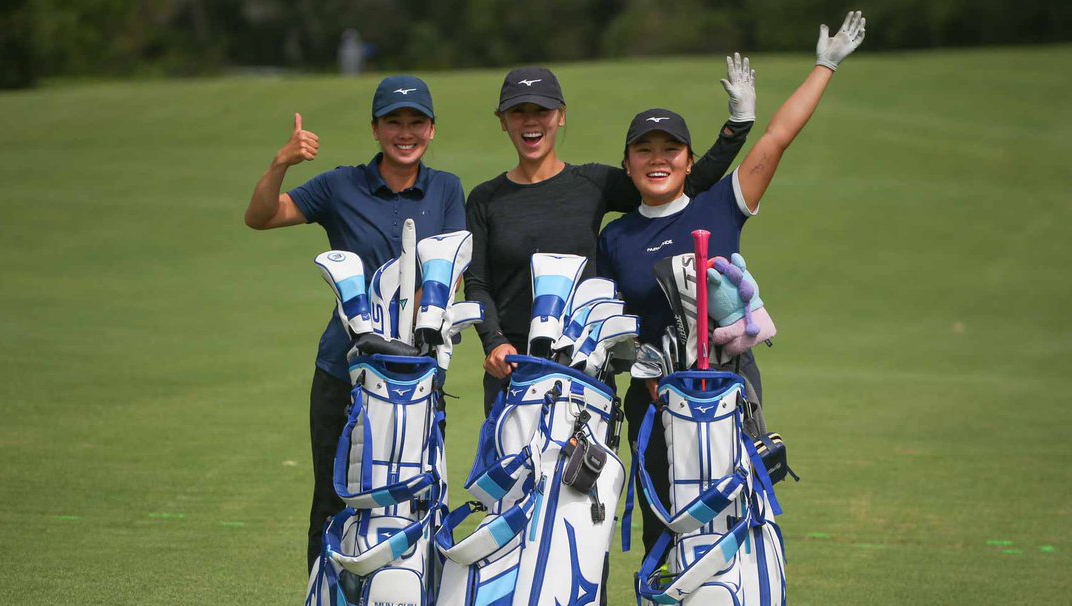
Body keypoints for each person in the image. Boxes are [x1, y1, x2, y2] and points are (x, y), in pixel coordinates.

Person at [597, 12, 866, 564]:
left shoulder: (718, 204)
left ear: (689, 160)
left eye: (669, 149)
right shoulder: (616, 236)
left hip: (726, 388)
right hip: (652, 399)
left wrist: (824, 66)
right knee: (660, 521)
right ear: (627, 164)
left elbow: (778, 138)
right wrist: (639, 363)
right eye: (644, 150)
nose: (657, 159)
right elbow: (608, 326)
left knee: (729, 515)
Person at [243, 76, 465, 573]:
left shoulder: (447, 188)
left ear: (430, 130)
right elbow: (261, 217)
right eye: (393, 122)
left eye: (415, 123)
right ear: (375, 129)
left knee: (413, 498)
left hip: (418, 376)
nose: (404, 133)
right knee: (335, 497)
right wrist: (281, 162)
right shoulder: (340, 185)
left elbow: (450, 272)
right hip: (343, 371)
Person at [464, 57, 759, 415]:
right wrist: (494, 343)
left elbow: (679, 181)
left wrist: (735, 129)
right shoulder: (485, 198)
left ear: (560, 115)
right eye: (518, 112)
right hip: (510, 368)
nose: (530, 121)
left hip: (584, 367)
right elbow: (478, 284)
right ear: (503, 121)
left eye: (541, 110)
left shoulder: (593, 184)